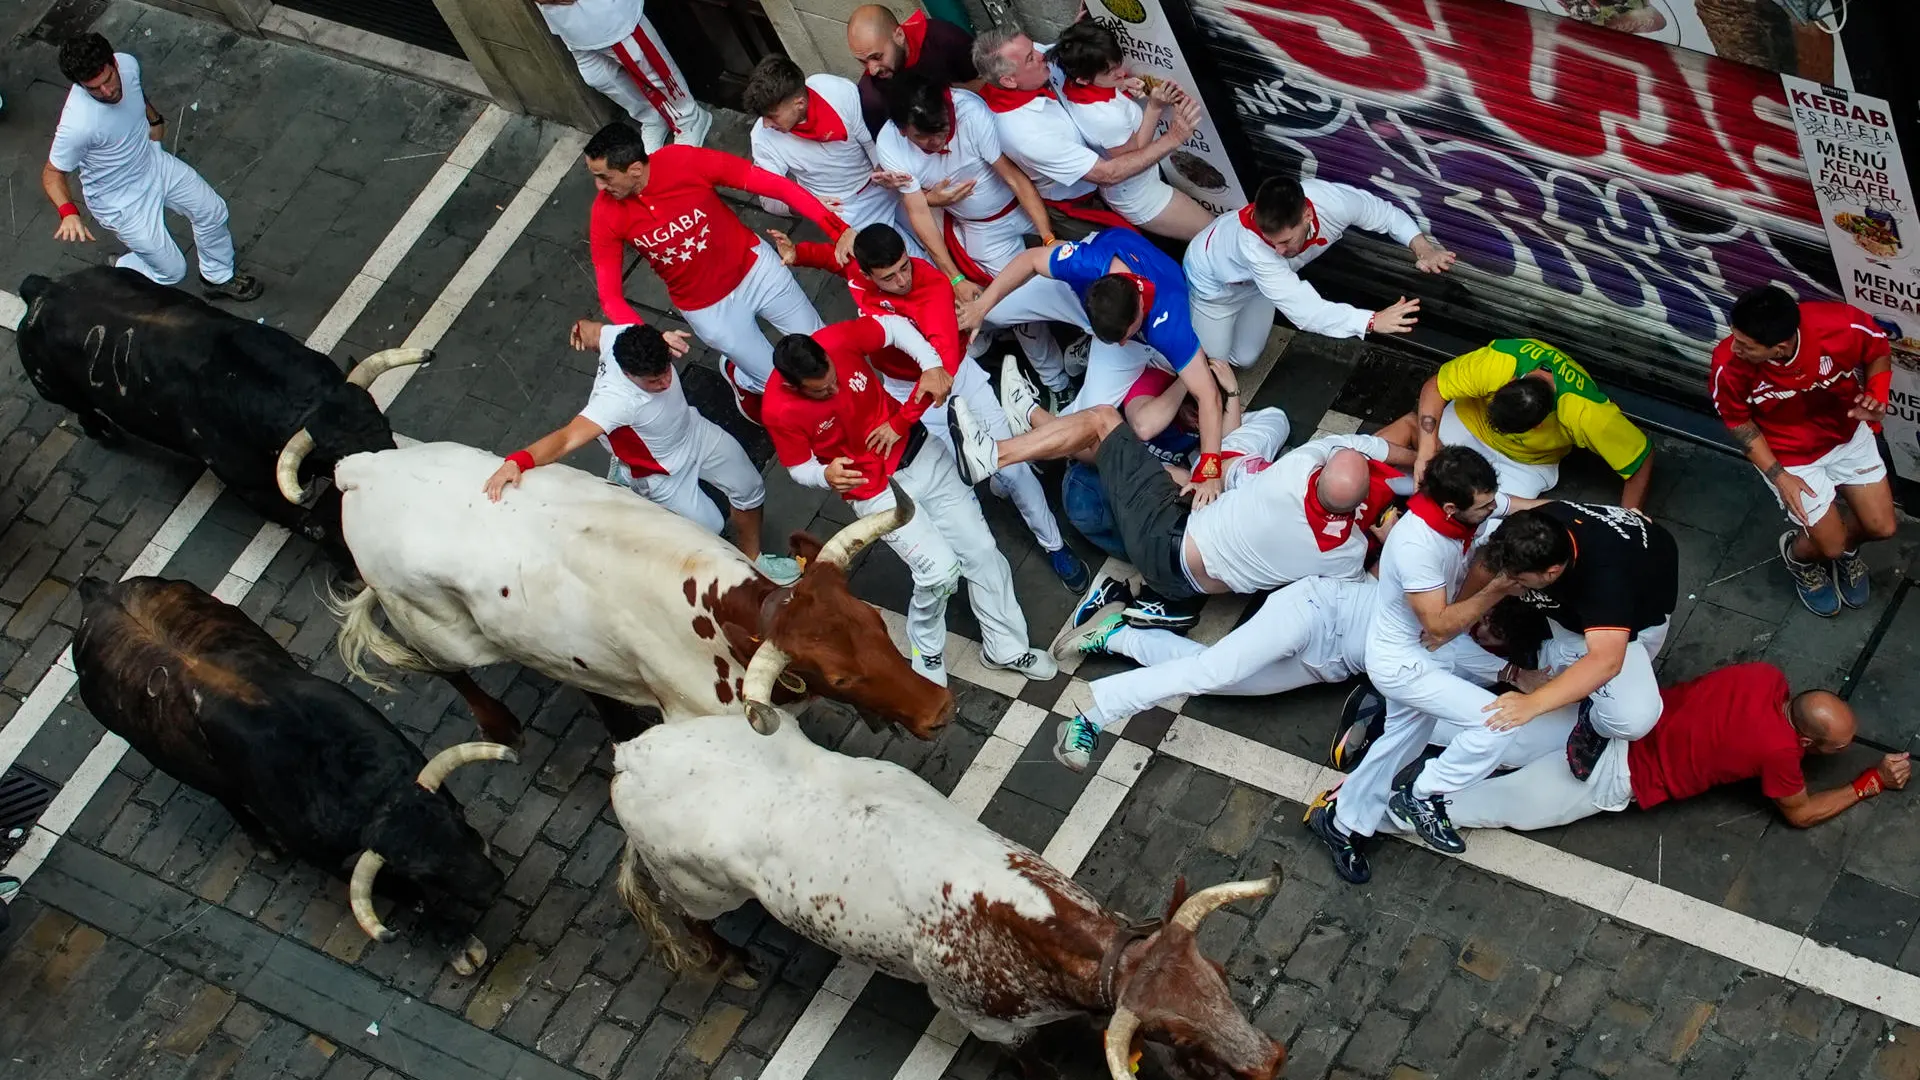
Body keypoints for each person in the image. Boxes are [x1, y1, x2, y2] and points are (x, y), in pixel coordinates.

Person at [771, 222, 1091, 591]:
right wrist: (802, 255)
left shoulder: (933, 289)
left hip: (953, 379)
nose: (903, 279)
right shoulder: (858, 275)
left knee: (1014, 468)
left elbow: (940, 373)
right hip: (899, 387)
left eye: (905, 266)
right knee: (953, 474)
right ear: (867, 273)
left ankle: (1054, 545)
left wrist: (900, 423)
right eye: (889, 276)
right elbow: (836, 259)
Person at [763, 320, 1055, 685]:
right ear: (794, 386)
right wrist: (823, 475)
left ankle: (1006, 648)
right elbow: (796, 466)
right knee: (940, 572)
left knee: (981, 550)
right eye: (822, 391)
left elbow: (894, 328)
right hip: (874, 491)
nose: (834, 389)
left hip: (920, 453)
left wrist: (931, 364)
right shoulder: (777, 410)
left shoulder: (838, 337)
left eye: (835, 379)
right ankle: (927, 649)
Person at [1306, 446, 1521, 884]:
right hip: (1403, 663)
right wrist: (1498, 587)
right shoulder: (1417, 545)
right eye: (1483, 507)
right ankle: (1424, 795)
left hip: (1422, 655)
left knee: (1398, 745)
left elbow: (1520, 505)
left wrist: (1587, 515)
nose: (1491, 510)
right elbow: (1439, 627)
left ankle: (1339, 821)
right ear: (1450, 507)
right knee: (1499, 724)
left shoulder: (1467, 507)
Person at [1392, 663, 1910, 833]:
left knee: (1502, 732)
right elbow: (1799, 813)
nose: (1841, 751)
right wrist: (1870, 783)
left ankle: (1392, 724)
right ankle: (1372, 810)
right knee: (1498, 805)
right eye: (1833, 747)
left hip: (1603, 726)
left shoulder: (1764, 677)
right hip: (1613, 776)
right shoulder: (1780, 752)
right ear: (1804, 740)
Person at [480, 320, 801, 584]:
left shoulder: (623, 335)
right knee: (710, 529)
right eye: (653, 380)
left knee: (750, 487)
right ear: (629, 373)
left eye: (665, 371)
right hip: (661, 474)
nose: (664, 382)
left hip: (694, 432)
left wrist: (579, 329)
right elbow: (565, 439)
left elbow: (590, 330)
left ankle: (753, 560)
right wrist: (517, 461)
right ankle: (631, 480)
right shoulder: (615, 401)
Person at [583, 122, 854, 424]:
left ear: (634, 169)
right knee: (778, 385)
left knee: (824, 346)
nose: (599, 187)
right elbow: (609, 297)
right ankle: (742, 378)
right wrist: (651, 338)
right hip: (708, 310)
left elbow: (774, 185)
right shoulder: (604, 213)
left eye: (604, 177)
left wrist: (838, 229)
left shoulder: (683, 161)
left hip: (757, 272)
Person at [956, 229, 1227, 494]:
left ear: (1140, 311)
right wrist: (981, 307)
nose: (1118, 341)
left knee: (1084, 424)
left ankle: (1025, 421)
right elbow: (1030, 260)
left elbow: (1208, 396)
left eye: (1121, 335)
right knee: (996, 310)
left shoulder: (1168, 324)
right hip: (1084, 300)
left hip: (1137, 344)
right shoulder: (1088, 263)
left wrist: (1210, 469)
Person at [873, 75, 1087, 401]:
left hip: (1025, 204)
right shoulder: (890, 143)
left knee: (1077, 260)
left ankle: (1092, 330)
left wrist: (1046, 237)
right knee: (1015, 300)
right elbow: (917, 212)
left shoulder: (969, 112)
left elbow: (1013, 177)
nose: (938, 141)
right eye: (924, 137)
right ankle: (1057, 383)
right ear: (903, 130)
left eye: (942, 129)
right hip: (981, 226)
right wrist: (954, 276)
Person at [1711, 285, 1896, 617]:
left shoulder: (1842, 326)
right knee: (1830, 544)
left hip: (1847, 437)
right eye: (1735, 336)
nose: (1733, 348)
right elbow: (1737, 421)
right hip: (1788, 457)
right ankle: (1799, 557)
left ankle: (1847, 551)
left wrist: (1877, 393)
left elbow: (1878, 349)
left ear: (1779, 348)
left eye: (1746, 345)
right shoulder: (1729, 364)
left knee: (1881, 528)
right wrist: (1779, 476)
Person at [43, 34, 260, 301]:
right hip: (121, 201)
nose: (108, 92)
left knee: (212, 211)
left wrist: (154, 118)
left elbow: (135, 92)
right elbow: (52, 174)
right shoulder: (77, 126)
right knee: (172, 272)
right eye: (94, 89)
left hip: (152, 163)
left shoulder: (128, 65)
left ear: (114, 62)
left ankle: (217, 277)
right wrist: (68, 213)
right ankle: (123, 267)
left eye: (108, 80)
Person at [1183, 177, 1453, 366]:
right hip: (1215, 287)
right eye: (1271, 241)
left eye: (1286, 241)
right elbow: (1307, 313)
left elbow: (1385, 214)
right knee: (1211, 366)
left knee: (1245, 358)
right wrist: (1371, 321)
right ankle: (1175, 344)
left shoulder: (1332, 201)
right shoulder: (1254, 246)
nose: (1278, 251)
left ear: (1307, 217)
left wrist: (1422, 248)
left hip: (1259, 287)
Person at [971, 26, 1203, 239]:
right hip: (1081, 202)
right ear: (1009, 80)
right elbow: (1107, 173)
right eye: (1031, 57)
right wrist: (1174, 136)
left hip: (1121, 182)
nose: (1043, 55)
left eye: (1033, 47)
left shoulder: (1036, 65)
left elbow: (1068, 59)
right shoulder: (1027, 135)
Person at [1379, 338, 1655, 506]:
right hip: (1466, 426)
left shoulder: (1586, 412)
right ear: (1509, 382)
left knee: (1487, 526)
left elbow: (1640, 459)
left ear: (1537, 425)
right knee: (1386, 474)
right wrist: (1427, 450)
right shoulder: (1499, 364)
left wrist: (1630, 518)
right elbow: (1435, 387)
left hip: (1525, 464)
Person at [742, 57, 919, 255]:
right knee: (906, 264)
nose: (766, 124)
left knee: (936, 235)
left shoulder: (835, 90)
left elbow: (867, 140)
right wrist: (808, 203)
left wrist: (884, 171)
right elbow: (769, 200)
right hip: (845, 210)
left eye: (772, 116)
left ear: (799, 103)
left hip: (881, 182)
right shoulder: (763, 137)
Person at [534, 0, 713, 153]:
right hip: (566, 19)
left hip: (603, 13)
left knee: (648, 66)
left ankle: (689, 118)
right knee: (598, 76)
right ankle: (654, 117)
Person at [847, 4, 981, 136]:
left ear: (899, 36)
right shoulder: (871, 95)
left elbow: (985, 82)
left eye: (877, 57)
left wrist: (955, 93)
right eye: (863, 61)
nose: (872, 70)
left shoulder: (941, 38)